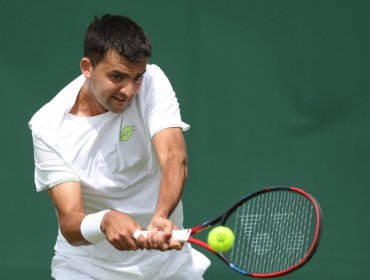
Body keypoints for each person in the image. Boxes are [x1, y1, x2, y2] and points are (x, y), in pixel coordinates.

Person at [28, 14, 210, 280]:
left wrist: (160, 216)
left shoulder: (153, 83)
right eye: (117, 77)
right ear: (87, 67)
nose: (129, 90)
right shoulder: (48, 127)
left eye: (137, 77)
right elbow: (70, 221)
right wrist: (104, 221)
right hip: (87, 269)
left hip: (167, 266)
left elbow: (174, 155)